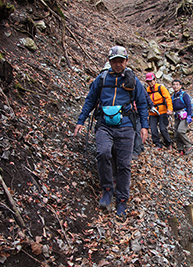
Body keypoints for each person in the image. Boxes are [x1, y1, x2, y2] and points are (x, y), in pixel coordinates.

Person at [74, 46, 149, 217]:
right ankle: (107, 189)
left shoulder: (133, 81)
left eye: (120, 61)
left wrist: (144, 126)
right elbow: (90, 100)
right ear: (109, 62)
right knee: (103, 153)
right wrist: (81, 120)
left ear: (126, 61)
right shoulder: (101, 79)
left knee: (124, 164)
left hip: (126, 126)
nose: (117, 64)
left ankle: (122, 200)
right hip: (104, 124)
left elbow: (143, 104)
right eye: (114, 61)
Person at [145, 72, 173, 150]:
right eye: (148, 81)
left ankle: (168, 143)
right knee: (153, 129)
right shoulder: (147, 90)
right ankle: (158, 144)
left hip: (162, 111)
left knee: (163, 128)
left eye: (151, 80)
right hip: (152, 112)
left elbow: (168, 98)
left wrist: (169, 109)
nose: (150, 83)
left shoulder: (161, 88)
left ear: (155, 80)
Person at [171, 79, 193, 155]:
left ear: (180, 86)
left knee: (181, 131)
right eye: (174, 84)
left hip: (184, 115)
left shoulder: (184, 94)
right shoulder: (173, 97)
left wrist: (189, 116)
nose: (175, 86)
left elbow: (188, 105)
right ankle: (180, 149)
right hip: (177, 116)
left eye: (177, 84)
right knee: (176, 133)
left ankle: (188, 146)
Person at [132, 86, 155, 160]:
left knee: (138, 131)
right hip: (130, 113)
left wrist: (151, 106)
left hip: (140, 113)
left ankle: (136, 152)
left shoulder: (139, 87)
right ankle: (140, 146)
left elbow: (147, 97)